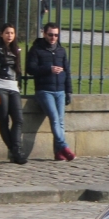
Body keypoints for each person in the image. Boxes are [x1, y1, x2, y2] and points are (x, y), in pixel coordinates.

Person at [28, 22, 75, 162]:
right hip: (44, 90)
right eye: (50, 35)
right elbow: (30, 69)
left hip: (60, 90)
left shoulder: (61, 50)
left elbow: (67, 71)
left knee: (60, 121)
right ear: (44, 34)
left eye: (56, 35)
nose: (53, 37)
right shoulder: (36, 50)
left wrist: (69, 91)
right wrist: (49, 69)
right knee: (54, 119)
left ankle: (58, 152)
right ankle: (65, 147)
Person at [0, 22, 27, 164]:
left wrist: (19, 85)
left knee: (19, 119)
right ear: (1, 34)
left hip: (13, 86)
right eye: (7, 33)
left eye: (12, 33)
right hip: (0, 85)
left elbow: (18, 69)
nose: (9, 36)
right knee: (4, 120)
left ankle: (15, 150)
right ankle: (16, 151)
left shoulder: (16, 49)